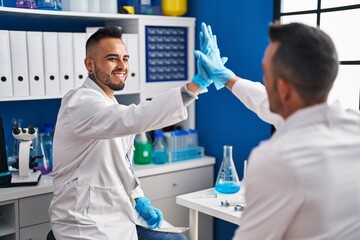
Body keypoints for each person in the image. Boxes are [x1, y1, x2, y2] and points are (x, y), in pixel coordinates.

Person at [196, 22, 360, 239]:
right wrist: (227, 78)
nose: (264, 81)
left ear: (283, 88)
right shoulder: (353, 126)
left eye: (265, 73)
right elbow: (269, 104)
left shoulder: (277, 160)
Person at [48, 26, 212, 240]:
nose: (122, 66)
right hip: (84, 223)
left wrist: (138, 196)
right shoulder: (79, 103)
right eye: (112, 59)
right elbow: (133, 118)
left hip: (120, 215)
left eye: (125, 59)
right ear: (90, 64)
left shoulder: (110, 104)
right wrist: (193, 87)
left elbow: (122, 165)